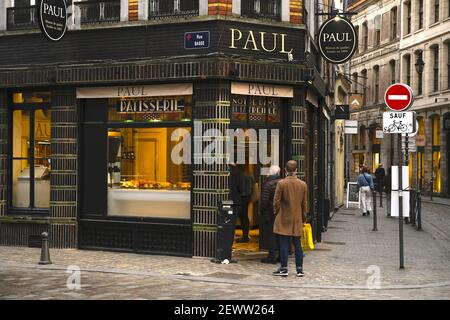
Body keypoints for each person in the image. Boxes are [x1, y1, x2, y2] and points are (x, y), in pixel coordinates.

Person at [272, 160, 307, 278]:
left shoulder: (281, 183)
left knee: (284, 243)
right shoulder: (303, 185)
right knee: (297, 244)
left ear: (286, 170)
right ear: (296, 170)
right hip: (297, 218)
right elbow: (304, 204)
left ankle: (284, 268)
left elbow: (276, 201)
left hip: (284, 216)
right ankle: (299, 269)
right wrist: (303, 218)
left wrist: (277, 212)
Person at [260, 165, 281, 264]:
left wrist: (261, 211)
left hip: (270, 213)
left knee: (271, 235)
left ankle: (271, 256)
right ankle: (281, 255)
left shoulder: (267, 184)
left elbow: (264, 201)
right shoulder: (282, 182)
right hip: (280, 213)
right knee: (281, 235)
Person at [236, 165, 254, 243]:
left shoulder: (240, 175)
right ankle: (246, 235)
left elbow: (239, 187)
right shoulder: (249, 174)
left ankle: (243, 237)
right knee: (245, 217)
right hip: (247, 197)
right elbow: (253, 185)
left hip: (240, 198)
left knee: (239, 216)